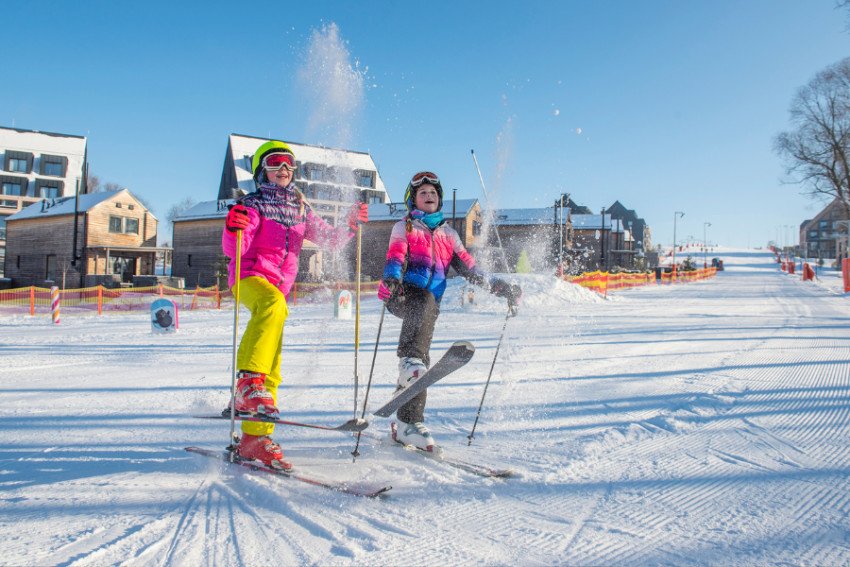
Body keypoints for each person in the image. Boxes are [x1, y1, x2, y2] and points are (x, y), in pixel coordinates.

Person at [222, 140, 368, 470]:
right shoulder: (253, 204)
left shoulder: (301, 208)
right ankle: (247, 385)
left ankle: (254, 438)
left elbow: (330, 240)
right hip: (249, 276)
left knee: (273, 360)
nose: (284, 169)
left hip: (278, 288)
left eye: (289, 164)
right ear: (261, 170)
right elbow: (235, 249)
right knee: (271, 304)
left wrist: (349, 225)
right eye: (276, 162)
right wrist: (234, 228)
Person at [377, 171, 521, 451]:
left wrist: (501, 287)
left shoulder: (449, 235)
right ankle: (408, 363)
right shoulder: (405, 227)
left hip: (429, 305)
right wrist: (391, 280)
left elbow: (471, 269)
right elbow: (395, 257)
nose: (429, 196)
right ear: (413, 200)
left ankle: (408, 423)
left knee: (422, 363)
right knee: (420, 320)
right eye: (422, 193)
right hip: (402, 294)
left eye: (433, 193)